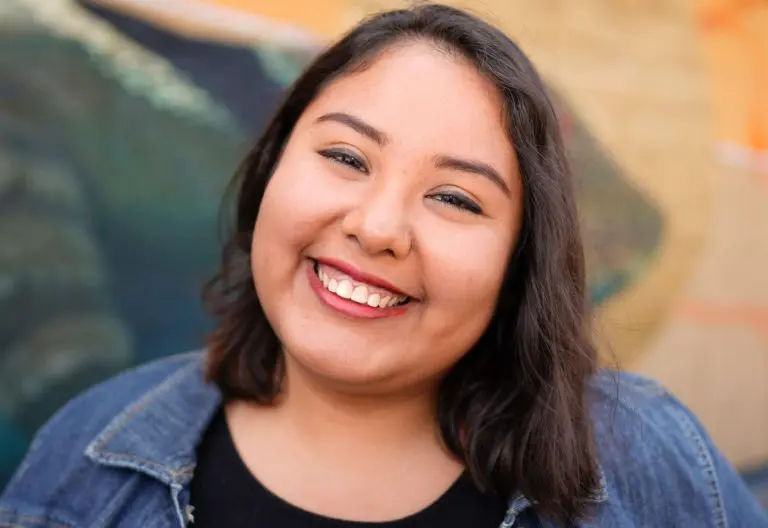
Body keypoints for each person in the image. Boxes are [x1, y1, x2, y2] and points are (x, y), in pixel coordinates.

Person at [1, 3, 766, 527]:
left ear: (520, 261)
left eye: (457, 199)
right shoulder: (92, 462)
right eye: (343, 156)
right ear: (268, 172)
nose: (377, 228)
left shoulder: (647, 461)